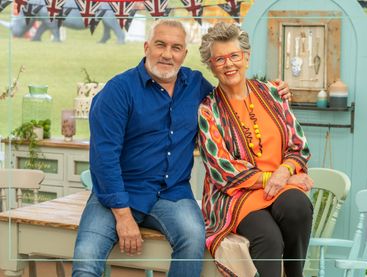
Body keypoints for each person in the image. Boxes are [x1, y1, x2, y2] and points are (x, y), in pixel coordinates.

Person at [72, 19, 292, 277]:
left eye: (176, 47)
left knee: (192, 236)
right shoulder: (118, 92)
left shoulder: (196, 86)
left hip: (172, 194)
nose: (167, 54)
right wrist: (122, 216)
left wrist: (271, 93)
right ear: (146, 47)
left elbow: (235, 100)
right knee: (86, 259)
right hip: (117, 193)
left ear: (184, 54)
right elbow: (104, 159)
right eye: (160, 45)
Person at [198, 22, 314, 277]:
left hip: (281, 185)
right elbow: (223, 171)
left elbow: (298, 145)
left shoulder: (273, 93)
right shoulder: (208, 110)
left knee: (298, 207)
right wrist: (276, 178)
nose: (229, 64)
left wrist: (285, 171)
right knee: (268, 238)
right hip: (236, 196)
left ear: (246, 58)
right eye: (220, 59)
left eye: (234, 56)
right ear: (211, 66)